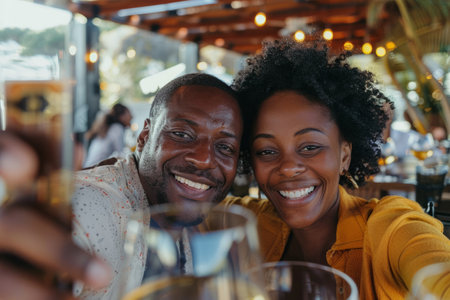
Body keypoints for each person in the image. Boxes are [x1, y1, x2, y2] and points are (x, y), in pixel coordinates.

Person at [227, 39, 450, 299]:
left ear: (344, 155)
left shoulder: (388, 229)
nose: (288, 168)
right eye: (266, 151)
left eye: (310, 147)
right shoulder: (242, 222)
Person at [0, 73, 243, 300]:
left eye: (225, 148)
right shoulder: (90, 204)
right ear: (144, 136)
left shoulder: (193, 222)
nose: (204, 159)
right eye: (182, 134)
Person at [83, 103, 133, 168]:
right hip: (94, 169)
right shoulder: (117, 128)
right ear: (121, 116)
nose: (132, 116)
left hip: (89, 167)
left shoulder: (109, 128)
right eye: (128, 113)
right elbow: (121, 153)